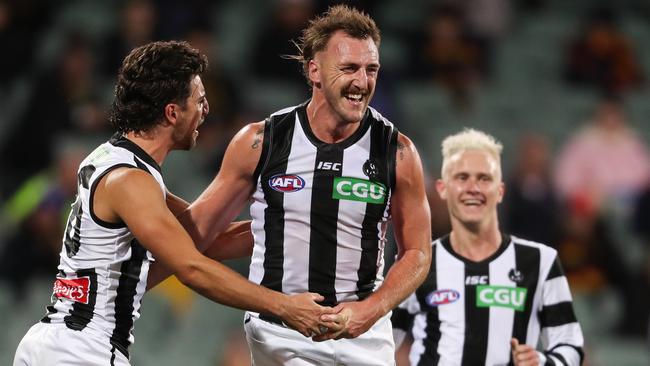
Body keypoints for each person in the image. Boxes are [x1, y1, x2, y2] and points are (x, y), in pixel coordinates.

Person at [13, 40, 335, 366]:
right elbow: (191, 268)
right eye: (200, 101)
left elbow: (201, 237)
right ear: (172, 112)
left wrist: (289, 226)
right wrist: (286, 306)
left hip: (56, 343)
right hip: (82, 351)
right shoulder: (131, 181)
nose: (206, 110)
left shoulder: (114, 161)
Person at [177, 5, 432, 365]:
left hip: (364, 336)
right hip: (281, 335)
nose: (362, 81)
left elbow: (417, 254)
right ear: (314, 69)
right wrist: (147, 203)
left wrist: (371, 309)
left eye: (370, 69)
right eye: (348, 68)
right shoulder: (261, 142)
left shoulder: (398, 152)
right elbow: (197, 235)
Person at [392, 129, 584, 365]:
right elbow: (383, 341)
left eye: (484, 178)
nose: (473, 187)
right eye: (462, 178)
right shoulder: (416, 261)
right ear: (442, 188)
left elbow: (570, 345)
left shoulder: (540, 261)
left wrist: (543, 362)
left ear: (500, 190)